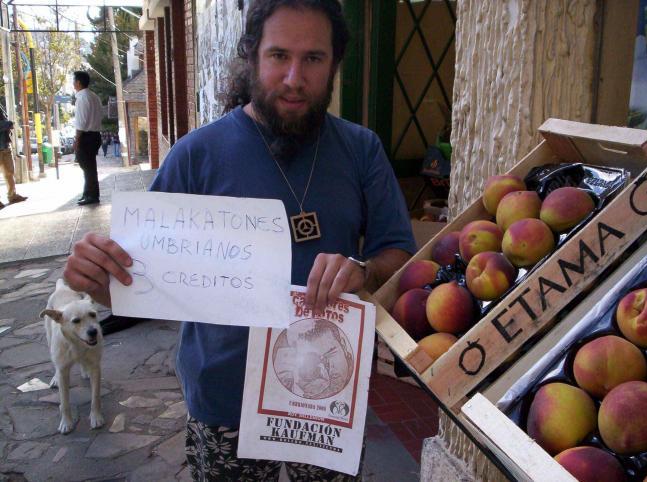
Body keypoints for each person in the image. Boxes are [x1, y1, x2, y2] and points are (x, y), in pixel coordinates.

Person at [63, 1, 416, 480]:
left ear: (334, 64)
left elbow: (399, 254)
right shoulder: (196, 156)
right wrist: (99, 278)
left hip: (327, 400)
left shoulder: (362, 150)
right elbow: (137, 286)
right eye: (278, 56)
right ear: (252, 57)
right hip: (226, 403)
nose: (294, 77)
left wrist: (364, 268)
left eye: (313, 58)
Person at [73, 71, 102, 206]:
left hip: (86, 136)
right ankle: (88, 193)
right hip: (94, 135)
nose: (73, 84)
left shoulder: (82, 98)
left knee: (88, 168)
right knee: (90, 167)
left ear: (78, 82)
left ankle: (92, 195)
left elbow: (81, 122)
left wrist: (77, 140)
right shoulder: (94, 96)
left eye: (74, 81)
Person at [0, 109, 27, 210]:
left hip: (5, 147)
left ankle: (12, 196)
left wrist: (8, 124)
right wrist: (9, 123)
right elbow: (6, 124)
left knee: (9, 173)